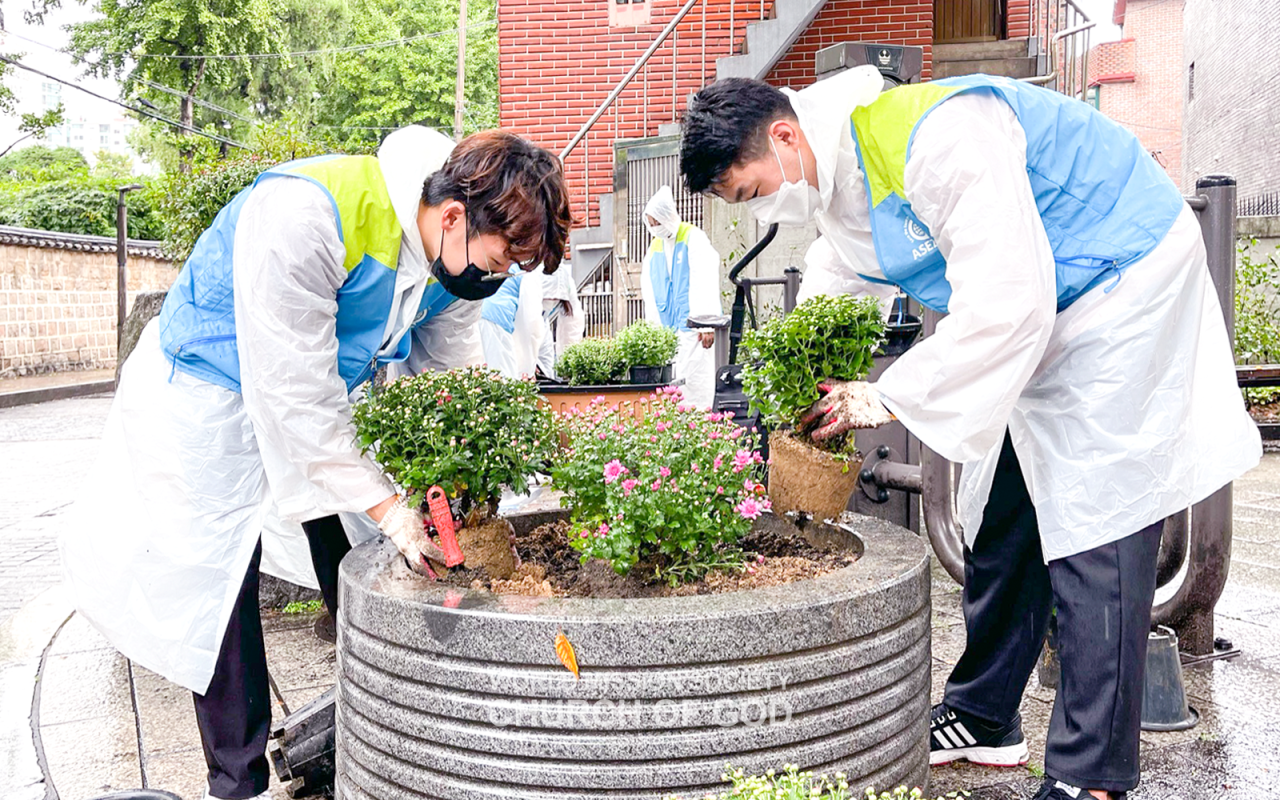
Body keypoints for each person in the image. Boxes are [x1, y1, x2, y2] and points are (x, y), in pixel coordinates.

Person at [679, 67, 1261, 800]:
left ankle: (1091, 776)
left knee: (1101, 523)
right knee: (1007, 507)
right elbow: (839, 276)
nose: (762, 209)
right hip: (1049, 309)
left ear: (785, 136)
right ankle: (985, 715)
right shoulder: (841, 181)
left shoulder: (940, 137)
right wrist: (801, 379)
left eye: (752, 192)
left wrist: (886, 394)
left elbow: (1010, 306)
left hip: (1120, 282)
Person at [60, 125, 571, 800]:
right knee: (222, 579)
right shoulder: (304, 215)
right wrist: (391, 509)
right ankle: (237, 780)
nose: (496, 277)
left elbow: (449, 379)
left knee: (355, 544)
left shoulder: (450, 265)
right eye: (501, 259)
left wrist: (450, 483)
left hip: (317, 391)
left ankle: (383, 715)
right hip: (209, 393)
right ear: (453, 217)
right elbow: (293, 397)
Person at [640, 185, 722, 408]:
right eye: (651, 223)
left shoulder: (692, 237)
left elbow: (704, 278)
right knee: (673, 389)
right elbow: (650, 292)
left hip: (694, 330)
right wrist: (653, 333)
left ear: (666, 216)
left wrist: (706, 323)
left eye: (656, 221)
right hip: (668, 332)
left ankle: (702, 424)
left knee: (697, 382)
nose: (654, 227)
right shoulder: (655, 247)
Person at [479, 266, 546, 379]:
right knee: (504, 380)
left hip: (473, 316)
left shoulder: (505, 263)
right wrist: (528, 370)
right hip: (497, 321)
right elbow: (532, 327)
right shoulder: (527, 273)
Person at [537, 264, 585, 378]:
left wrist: (568, 364)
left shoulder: (565, 280)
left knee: (547, 372)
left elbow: (572, 325)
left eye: (555, 299)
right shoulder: (530, 276)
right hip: (516, 326)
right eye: (547, 298)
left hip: (542, 325)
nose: (552, 301)